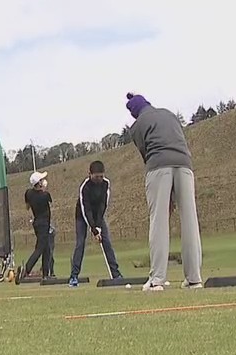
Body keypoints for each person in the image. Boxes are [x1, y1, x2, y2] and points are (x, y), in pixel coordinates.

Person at [126, 93, 203, 291]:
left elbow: (146, 154)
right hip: (185, 165)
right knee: (190, 219)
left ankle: (157, 279)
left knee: (158, 221)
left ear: (134, 112)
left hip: (158, 165)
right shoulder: (169, 114)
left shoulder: (137, 126)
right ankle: (194, 278)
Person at [68, 160, 123, 287]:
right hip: (82, 216)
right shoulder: (85, 187)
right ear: (90, 174)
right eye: (96, 176)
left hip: (98, 215)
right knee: (80, 243)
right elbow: (85, 208)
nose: (99, 179)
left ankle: (116, 274)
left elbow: (103, 205)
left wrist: (98, 226)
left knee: (107, 241)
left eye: (101, 176)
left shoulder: (106, 184)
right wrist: (93, 229)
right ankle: (74, 276)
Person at [20, 171, 56, 281]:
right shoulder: (45, 195)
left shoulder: (28, 193)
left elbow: (27, 207)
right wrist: (43, 190)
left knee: (47, 249)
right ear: (38, 183)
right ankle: (26, 269)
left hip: (36, 223)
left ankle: (46, 274)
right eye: (41, 180)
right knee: (40, 248)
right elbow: (51, 202)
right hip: (44, 224)